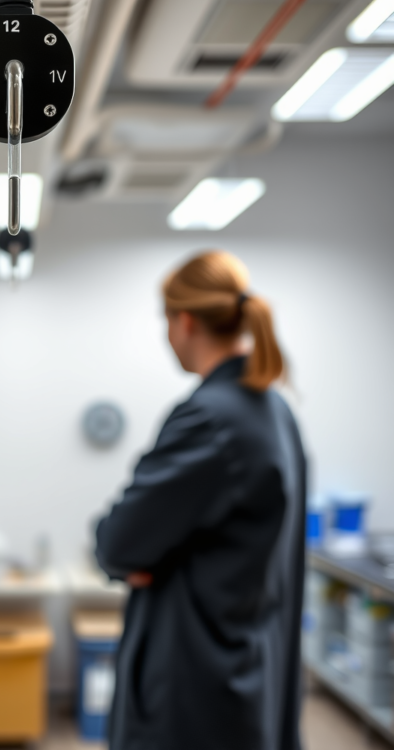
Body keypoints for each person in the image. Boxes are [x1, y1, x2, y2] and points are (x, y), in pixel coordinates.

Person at [95, 250, 305, 750]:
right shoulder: (275, 411)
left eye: (165, 321)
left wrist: (141, 559)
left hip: (196, 688)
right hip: (249, 667)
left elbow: (117, 543)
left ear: (184, 321)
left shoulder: (210, 419)